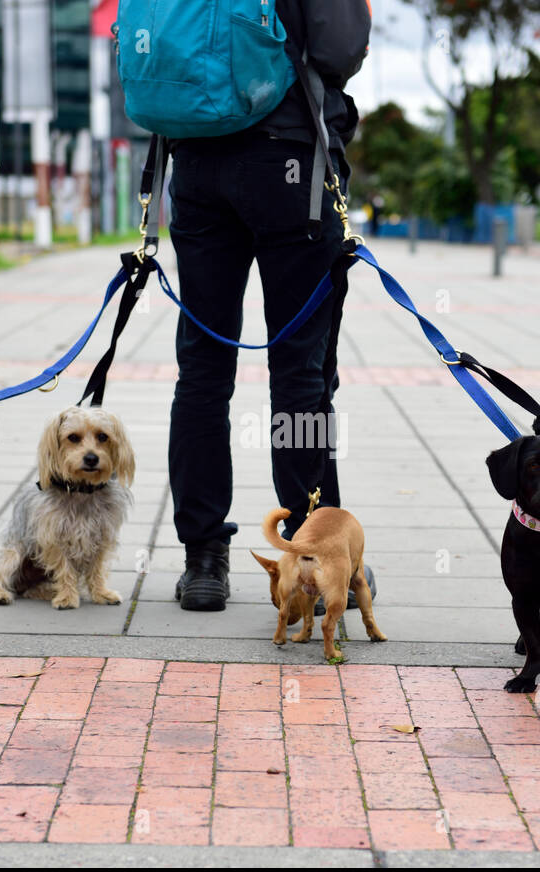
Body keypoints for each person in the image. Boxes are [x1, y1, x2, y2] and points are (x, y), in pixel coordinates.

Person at [168, 0, 373, 611]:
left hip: (197, 161)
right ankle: (313, 558)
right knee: (300, 381)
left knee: (202, 373)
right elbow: (340, 47)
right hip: (289, 162)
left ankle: (204, 560)